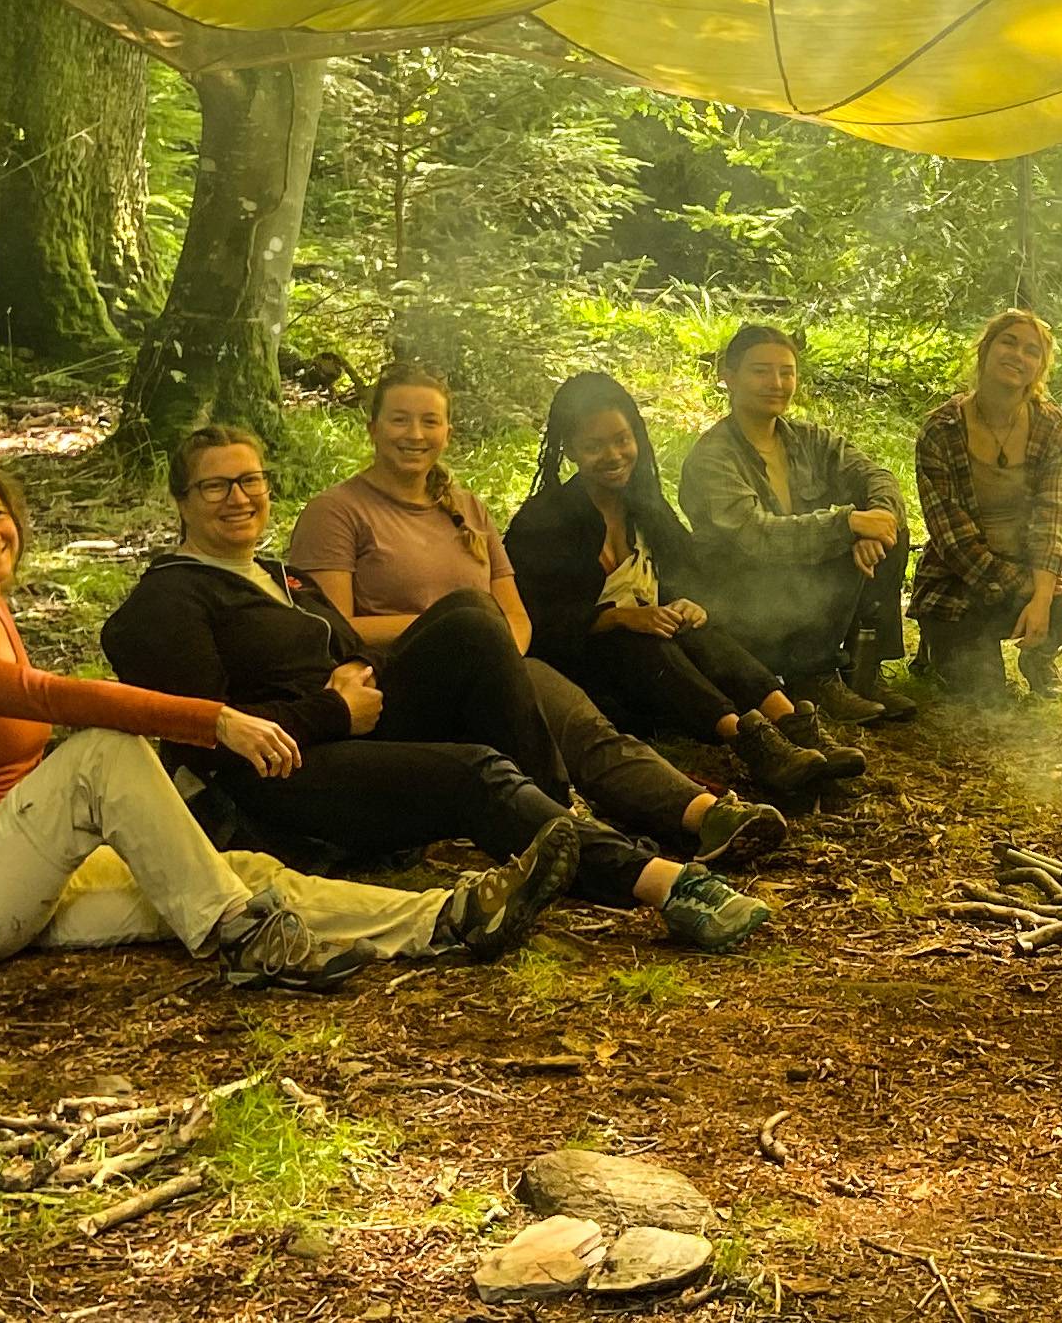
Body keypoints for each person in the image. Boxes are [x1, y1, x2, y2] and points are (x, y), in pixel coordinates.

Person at [0, 448, 564, 985]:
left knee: (244, 874)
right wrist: (218, 721)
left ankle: (446, 917)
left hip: (22, 885)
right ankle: (244, 940)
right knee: (102, 749)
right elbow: (53, 699)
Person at [110, 424, 767, 955]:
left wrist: (353, 673)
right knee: (472, 772)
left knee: (471, 616)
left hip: (350, 732)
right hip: (281, 781)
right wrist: (331, 707)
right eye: (215, 486)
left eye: (249, 479)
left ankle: (558, 814)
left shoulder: (281, 578)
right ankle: (666, 886)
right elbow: (207, 740)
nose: (238, 497)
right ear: (182, 501)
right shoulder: (168, 598)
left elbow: (352, 650)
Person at [285, 363, 780, 950]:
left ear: (447, 429)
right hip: (401, 686)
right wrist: (473, 634)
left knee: (589, 731)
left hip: (491, 660)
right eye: (399, 419)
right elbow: (340, 631)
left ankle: (703, 815)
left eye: (429, 420)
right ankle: (567, 817)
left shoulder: (466, 506)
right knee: (471, 614)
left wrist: (497, 648)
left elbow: (513, 612)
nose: (414, 434)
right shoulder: (337, 511)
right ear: (372, 427)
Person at [510, 371, 860, 804]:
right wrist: (615, 617)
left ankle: (793, 726)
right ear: (569, 449)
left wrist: (693, 604)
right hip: (598, 671)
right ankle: (751, 743)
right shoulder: (543, 522)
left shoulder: (646, 506)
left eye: (622, 439)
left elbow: (690, 574)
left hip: (665, 657)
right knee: (639, 639)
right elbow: (532, 626)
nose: (613, 455)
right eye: (594, 446)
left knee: (692, 626)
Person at [677, 325, 917, 725]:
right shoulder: (713, 457)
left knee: (888, 529)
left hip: (800, 592)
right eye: (760, 371)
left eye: (786, 372)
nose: (776, 383)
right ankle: (812, 677)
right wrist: (848, 524)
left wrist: (875, 520)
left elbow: (878, 476)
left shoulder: (809, 439)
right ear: (729, 376)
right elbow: (757, 536)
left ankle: (862, 672)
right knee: (848, 531)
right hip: (744, 603)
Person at [911, 309, 1062, 705]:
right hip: (959, 580)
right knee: (983, 696)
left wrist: (1040, 597)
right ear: (985, 350)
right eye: (1008, 342)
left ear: (1040, 368)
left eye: (1031, 351)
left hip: (1025, 566)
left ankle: (1038, 655)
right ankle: (935, 650)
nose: (1018, 355)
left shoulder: (1053, 430)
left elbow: (1053, 518)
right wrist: (1024, 584)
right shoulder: (941, 430)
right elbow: (952, 540)